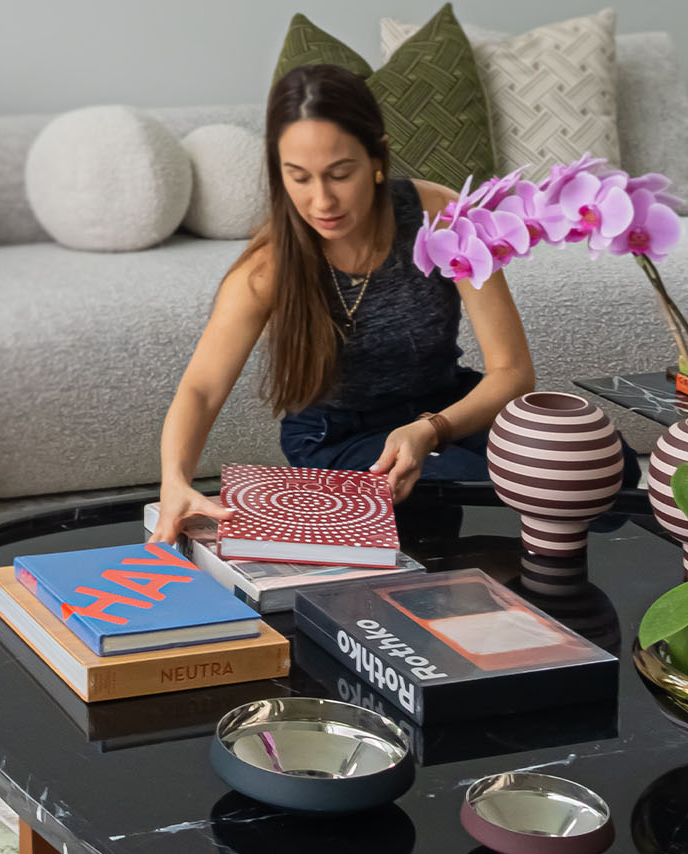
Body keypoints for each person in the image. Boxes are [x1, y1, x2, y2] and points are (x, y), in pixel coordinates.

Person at [151, 62, 635, 546]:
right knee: (451, 485)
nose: (321, 200)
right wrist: (174, 481)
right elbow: (201, 389)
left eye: (340, 174)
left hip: (444, 406)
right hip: (338, 436)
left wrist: (430, 429)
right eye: (299, 177)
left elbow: (511, 371)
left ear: (377, 158)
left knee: (596, 464)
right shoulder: (268, 267)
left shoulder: (442, 217)